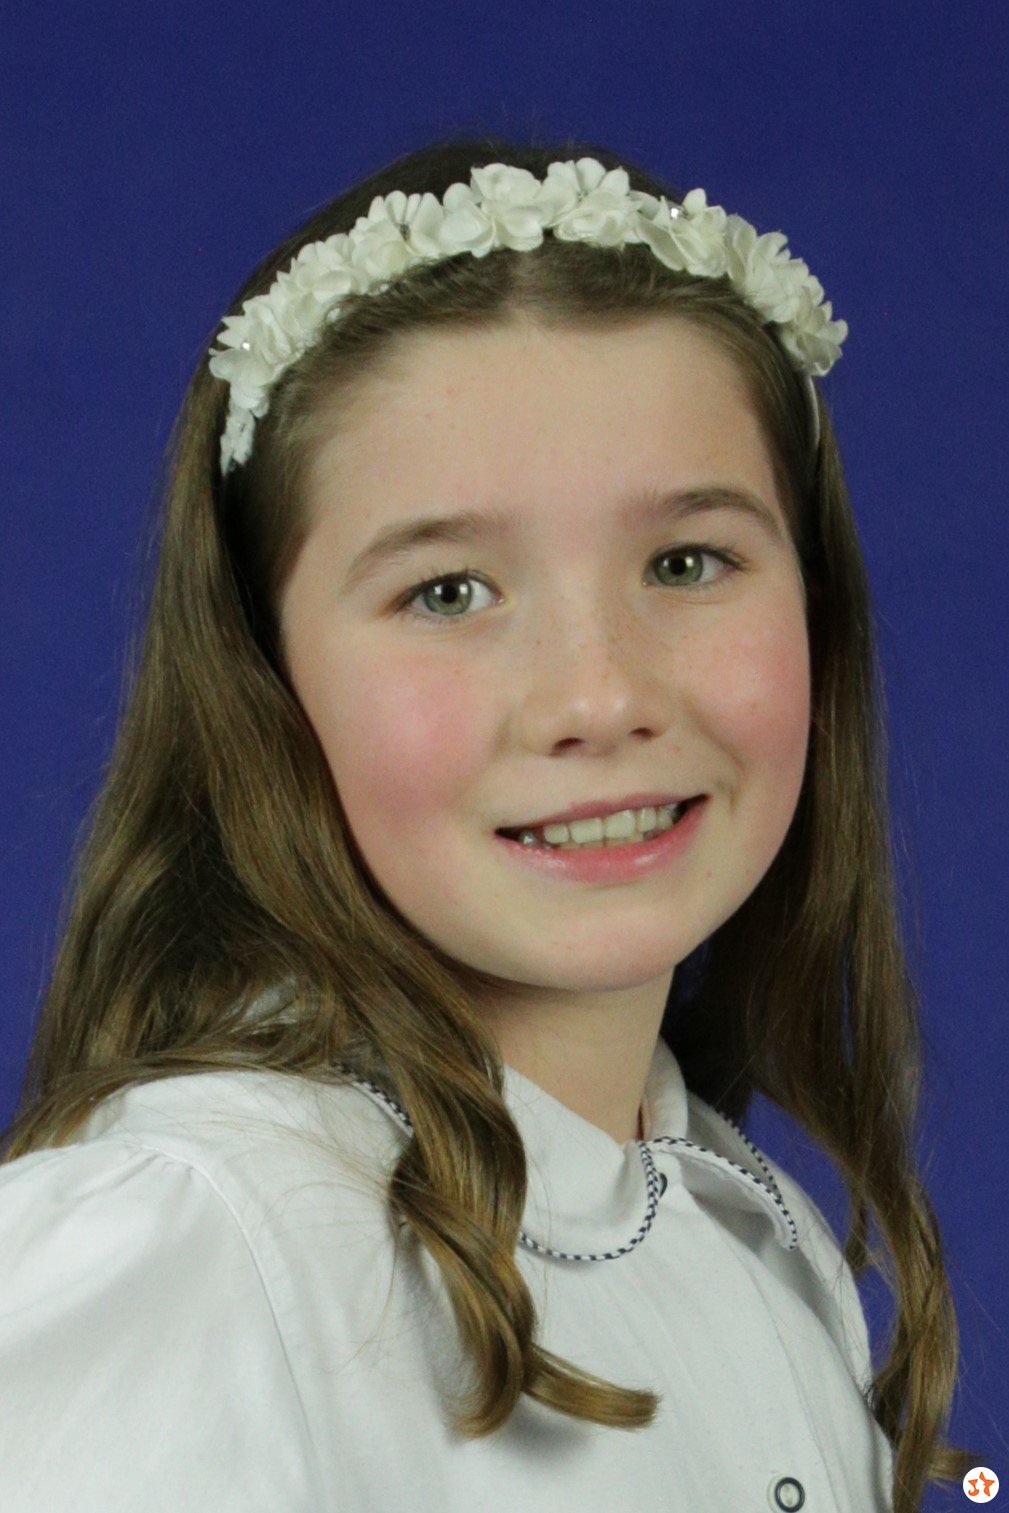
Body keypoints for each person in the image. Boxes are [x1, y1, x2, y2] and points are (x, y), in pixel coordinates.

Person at [0, 132, 979, 1512]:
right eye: (449, 592)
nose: (600, 696)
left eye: (686, 561)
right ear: (263, 677)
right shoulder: (201, 1245)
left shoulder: (743, 1225)